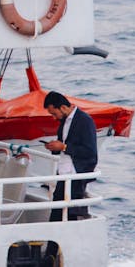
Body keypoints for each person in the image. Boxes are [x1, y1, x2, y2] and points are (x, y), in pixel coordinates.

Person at [43, 91, 98, 221]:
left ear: (62, 107)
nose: (54, 118)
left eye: (54, 114)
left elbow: (90, 152)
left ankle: (61, 240)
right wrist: (54, 147)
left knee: (71, 214)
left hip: (76, 174)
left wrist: (63, 147)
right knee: (57, 213)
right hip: (64, 173)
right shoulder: (64, 122)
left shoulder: (84, 121)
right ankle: (54, 241)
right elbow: (64, 146)